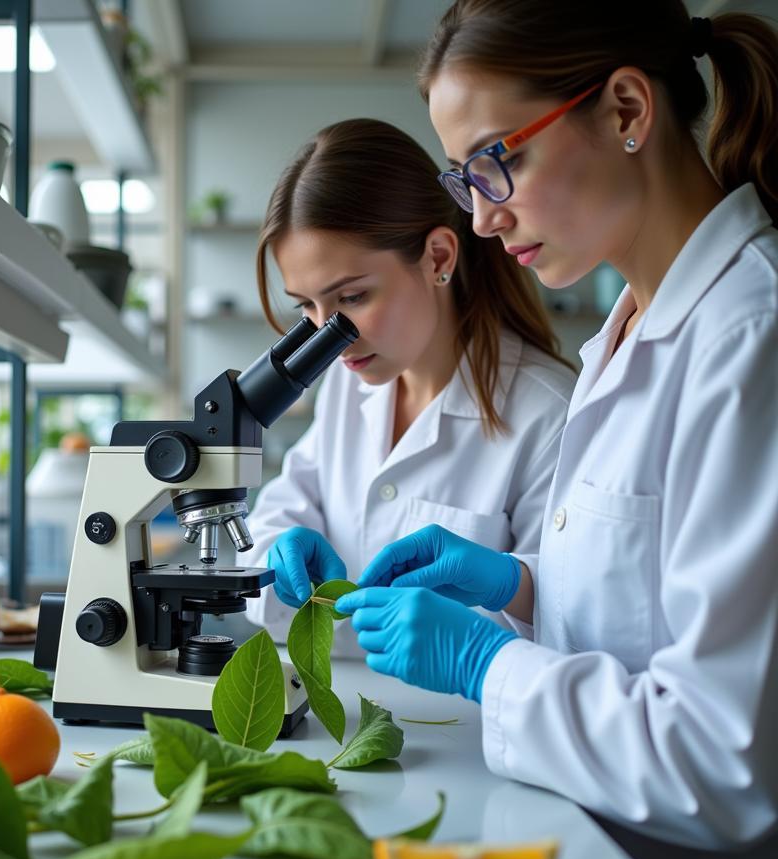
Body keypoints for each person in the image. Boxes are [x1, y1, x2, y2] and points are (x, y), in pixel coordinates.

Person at [336, 0, 778, 852]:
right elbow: (651, 605)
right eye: (463, 180)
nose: (481, 218)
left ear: (626, 110)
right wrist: (522, 585)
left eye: (496, 163)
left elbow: (727, 757)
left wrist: (486, 664)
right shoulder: (629, 332)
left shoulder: (748, 337)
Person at [238, 118, 575, 657]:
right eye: (306, 306)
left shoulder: (549, 413)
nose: (332, 340)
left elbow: (575, 620)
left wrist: (483, 631)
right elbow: (279, 518)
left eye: (351, 298)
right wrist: (278, 553)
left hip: (479, 730)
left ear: (438, 257)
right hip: (348, 717)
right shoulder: (351, 389)